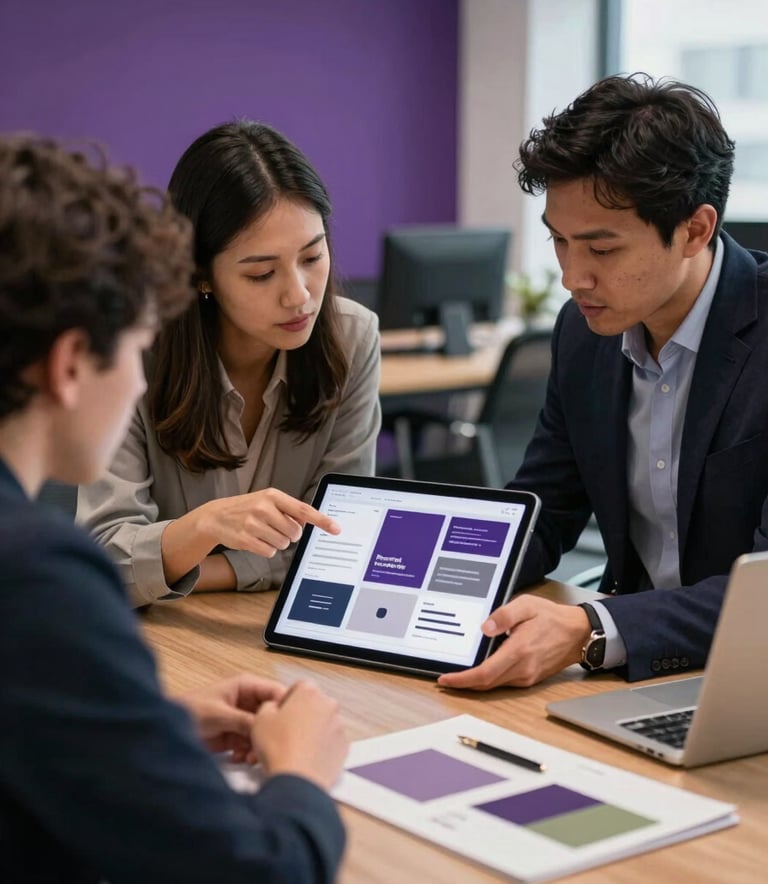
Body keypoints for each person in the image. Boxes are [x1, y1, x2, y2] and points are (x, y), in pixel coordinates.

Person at [0, 133, 348, 881]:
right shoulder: (37, 575)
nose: (136, 384)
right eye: (132, 349)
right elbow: (257, 870)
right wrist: (300, 777)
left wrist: (142, 730)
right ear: (68, 366)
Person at [438, 73, 768, 691]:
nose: (571, 277)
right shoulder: (582, 333)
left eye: (602, 249)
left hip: (748, 679)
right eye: (559, 243)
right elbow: (547, 504)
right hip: (635, 677)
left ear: (696, 229)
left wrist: (593, 626)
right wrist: (442, 573)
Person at [77, 120, 381, 607]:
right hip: (164, 642)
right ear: (202, 276)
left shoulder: (353, 336)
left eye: (312, 256)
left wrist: (192, 561)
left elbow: (338, 540)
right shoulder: (130, 352)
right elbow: (100, 561)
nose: (299, 295)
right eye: (261, 273)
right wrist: (204, 526)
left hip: (268, 631)